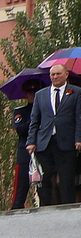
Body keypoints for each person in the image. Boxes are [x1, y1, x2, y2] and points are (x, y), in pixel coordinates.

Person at [26, 62, 79, 207]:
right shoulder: (40, 95)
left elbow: (78, 117)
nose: (55, 77)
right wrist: (31, 141)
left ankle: (68, 207)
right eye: (52, 75)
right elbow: (34, 120)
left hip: (66, 143)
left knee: (66, 178)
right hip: (45, 143)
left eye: (58, 74)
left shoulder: (75, 92)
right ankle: (46, 208)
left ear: (66, 74)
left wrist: (78, 139)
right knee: (45, 178)